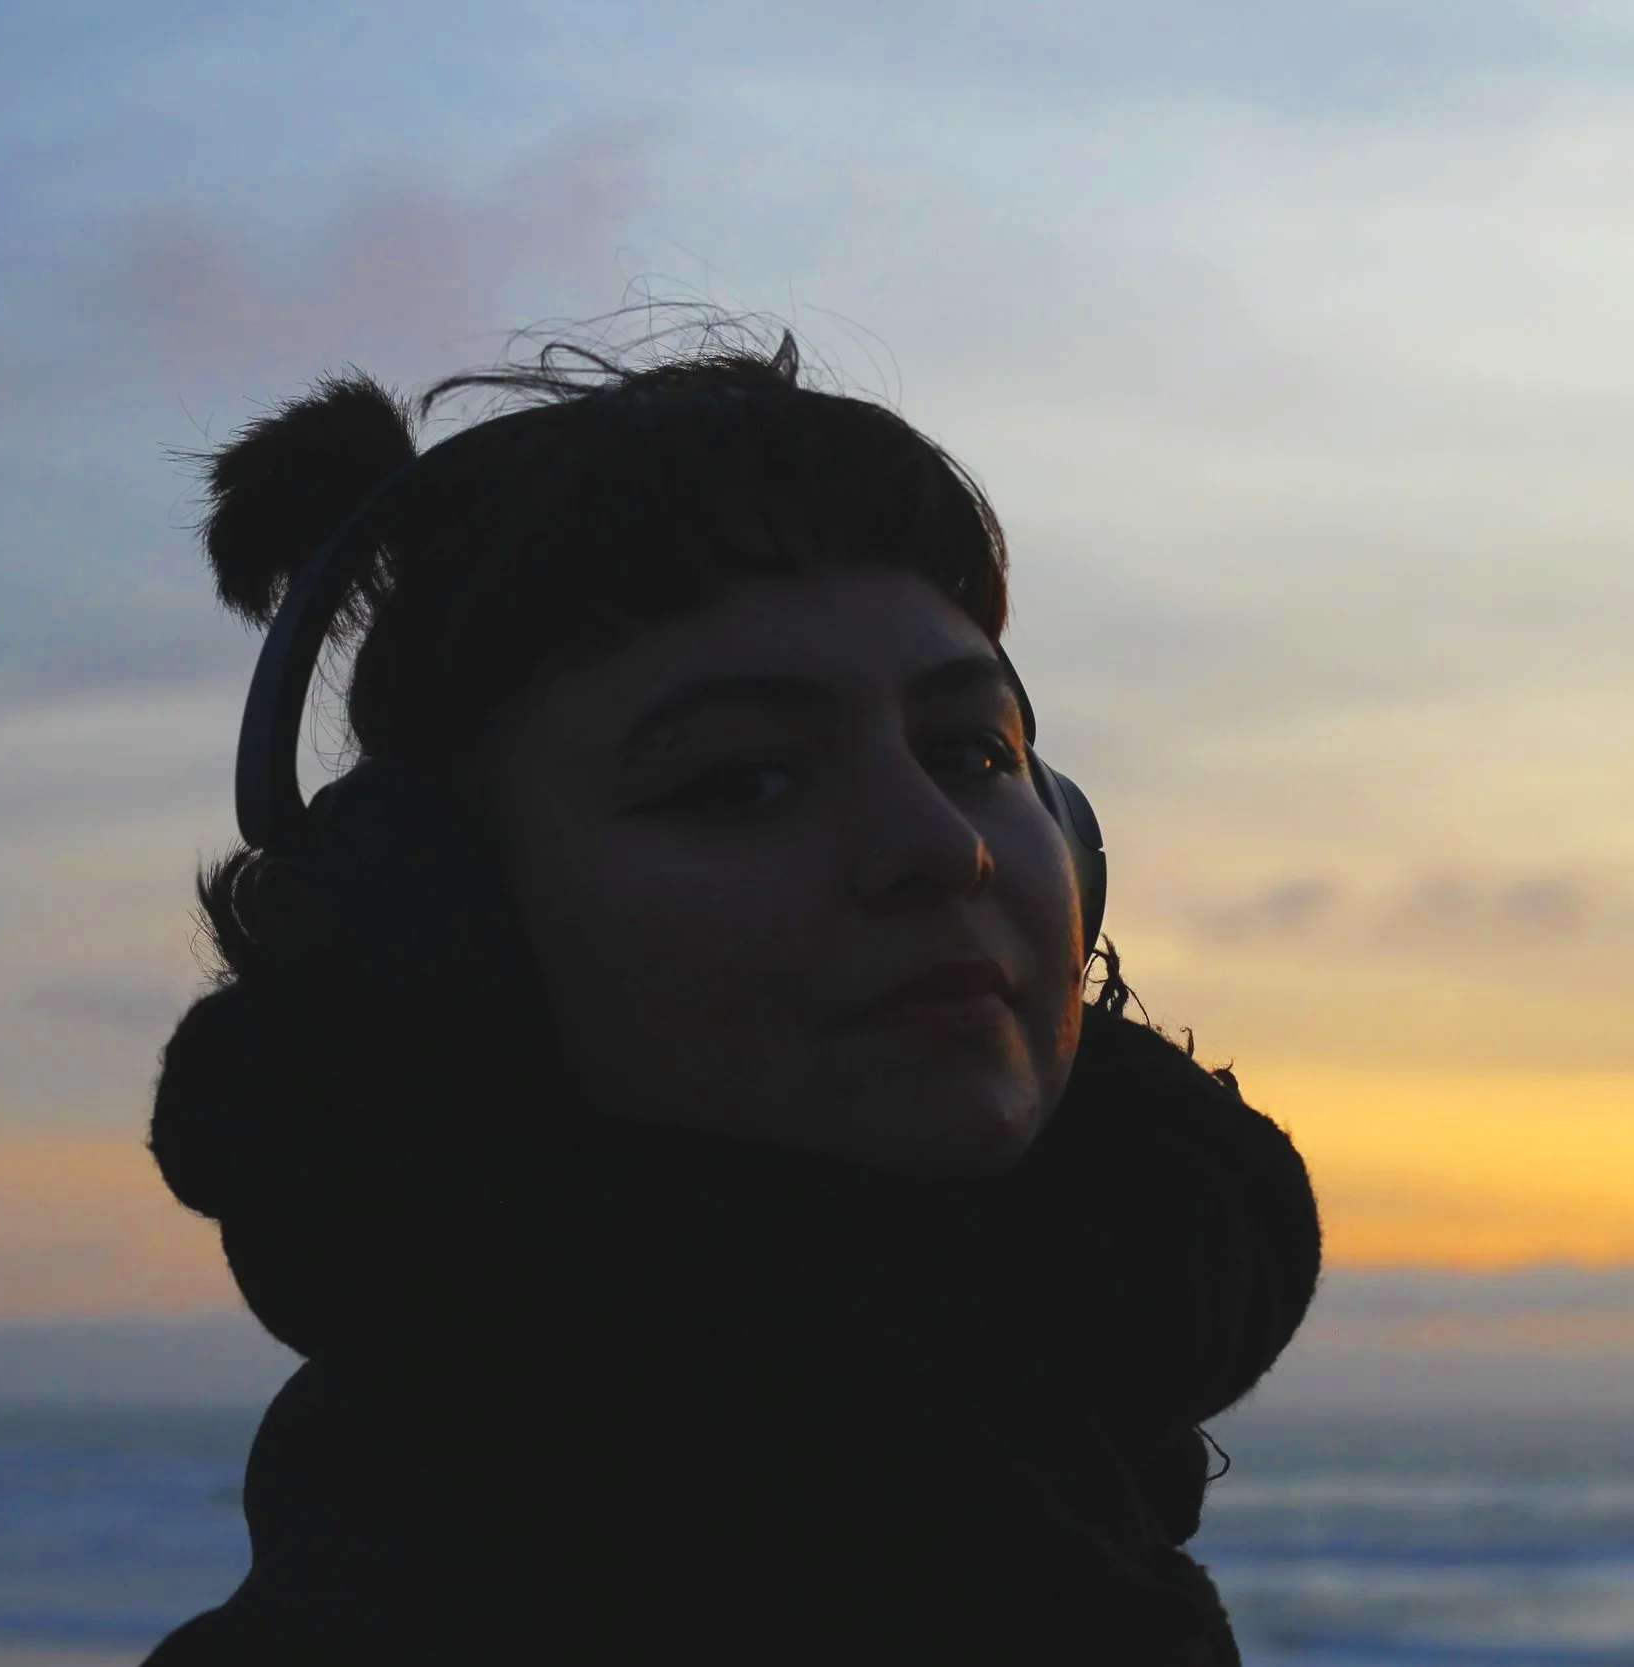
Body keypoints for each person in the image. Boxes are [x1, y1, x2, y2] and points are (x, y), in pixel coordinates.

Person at [141, 319, 1321, 1665]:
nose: (943, 845)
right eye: (744, 779)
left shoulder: (1055, 1497)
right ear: (448, 937)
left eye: (972, 747)